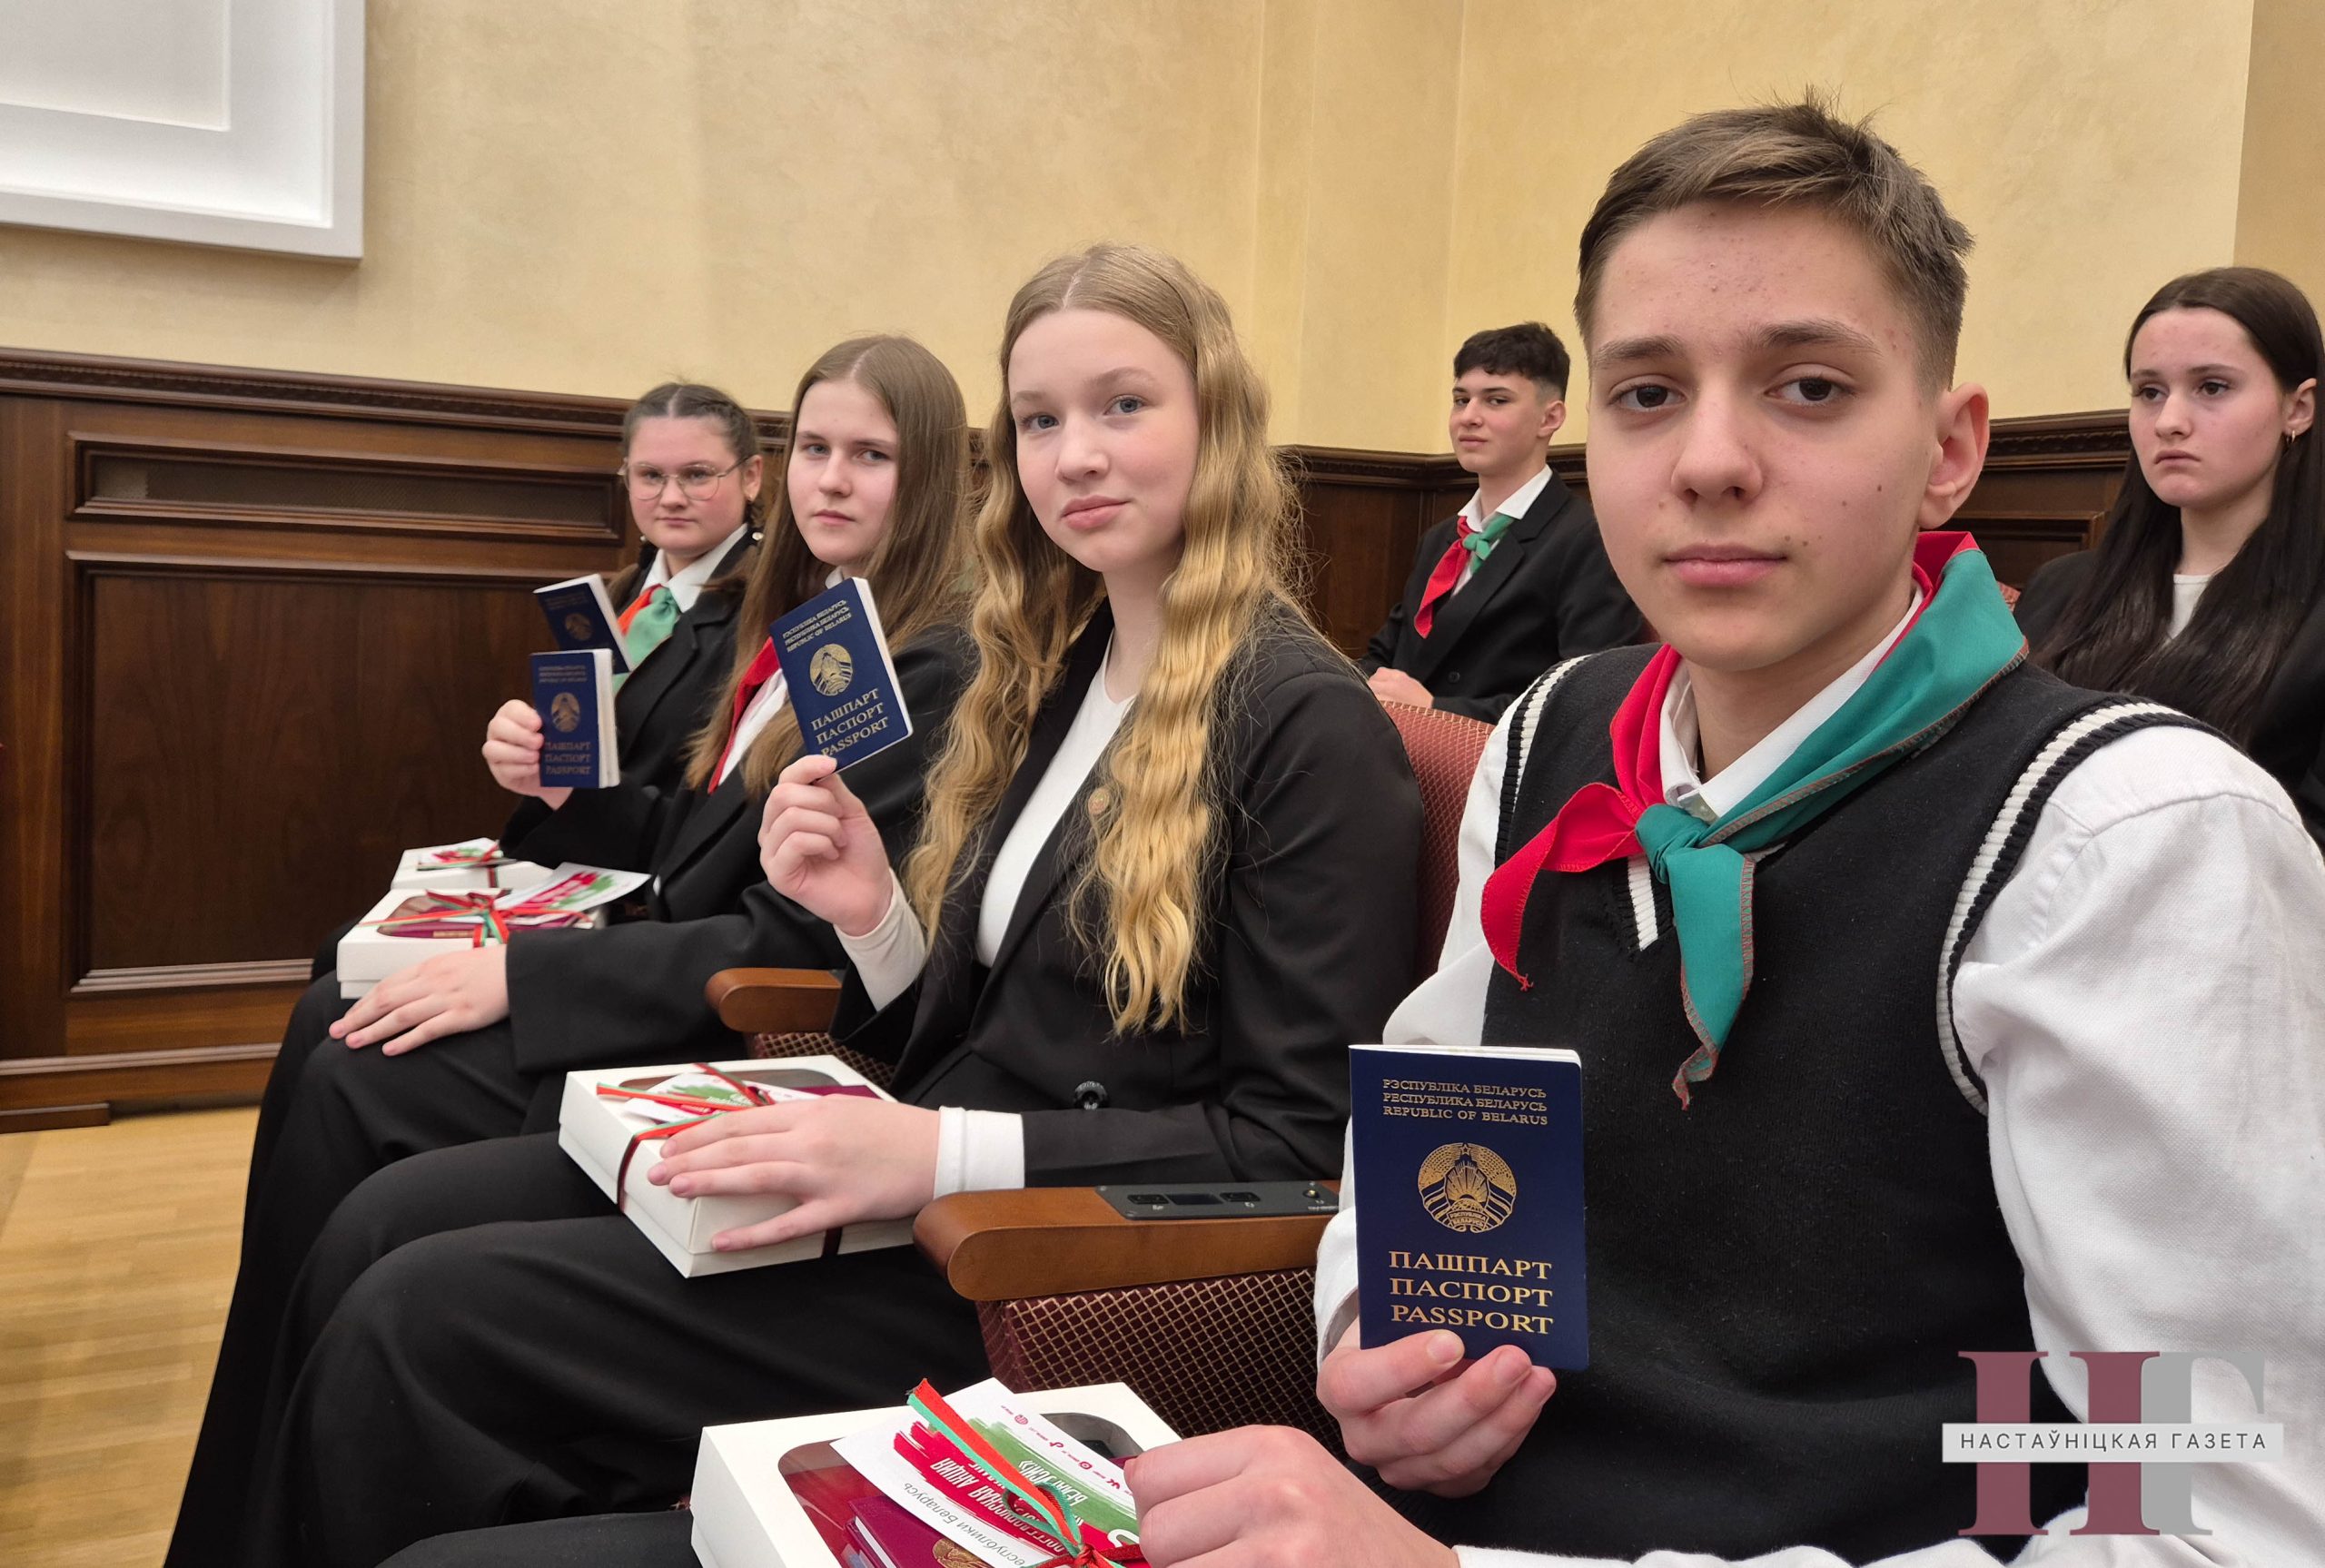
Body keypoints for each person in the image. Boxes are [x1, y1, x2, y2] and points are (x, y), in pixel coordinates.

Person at [1123, 100, 2325, 1567]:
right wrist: (1376, 1320)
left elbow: (2205, 1513)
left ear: (1950, 449)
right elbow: (1434, 1102)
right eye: (1646, 393)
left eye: (1808, 386)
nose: (1707, 460)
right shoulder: (1552, 732)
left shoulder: (2127, 839)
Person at [227, 244, 1423, 1568]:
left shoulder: (1307, 726)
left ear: (1220, 421)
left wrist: (934, 1154)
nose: (1075, 454)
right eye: (1039, 420)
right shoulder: (1061, 668)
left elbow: (1298, 1144)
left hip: (1025, 1268)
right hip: (910, 1184)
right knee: (386, 1237)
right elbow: (977, 1027)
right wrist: (871, 917)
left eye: (1123, 405)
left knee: (415, 1326)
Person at [164, 338, 975, 1568]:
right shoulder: (815, 623)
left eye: (872, 454)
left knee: (353, 1075)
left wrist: (522, 973)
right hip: (669, 962)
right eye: (817, 445)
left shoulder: (921, 660)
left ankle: (266, 1502)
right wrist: (567, 788)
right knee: (340, 1030)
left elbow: (794, 939)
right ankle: (259, 1479)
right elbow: (689, 851)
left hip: (727, 1025)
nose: (832, 478)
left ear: (933, 478)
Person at [299, 380, 760, 987]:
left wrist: (563, 786)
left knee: (343, 976)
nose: (670, 497)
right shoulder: (624, 592)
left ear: (751, 477)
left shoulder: (766, 615)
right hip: (583, 858)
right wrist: (529, 750)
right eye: (650, 475)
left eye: (697, 475)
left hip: (662, 904)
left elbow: (705, 824)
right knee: (339, 954)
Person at [2017, 266, 2325, 843]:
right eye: (2149, 392)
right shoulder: (2060, 587)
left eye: (2213, 387)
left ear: (2298, 408)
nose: (2169, 422)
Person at [1362, 322, 1638, 720]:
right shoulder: (1440, 538)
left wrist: (1436, 710)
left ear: (1550, 418)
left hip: (1495, 754)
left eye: (1496, 400)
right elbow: (1386, 652)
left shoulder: (1589, 538)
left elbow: (1586, 699)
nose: (1468, 417)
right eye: (1461, 399)